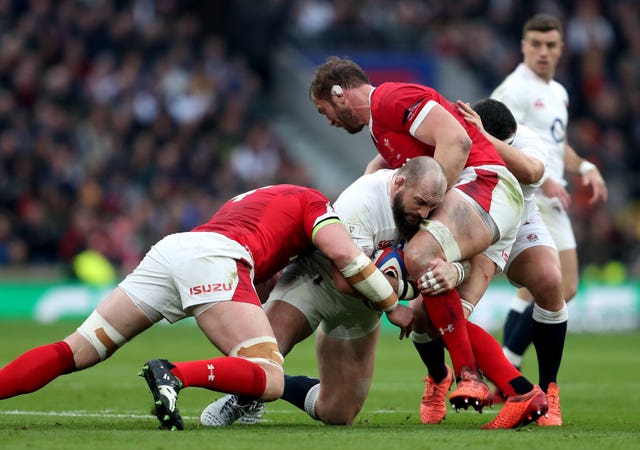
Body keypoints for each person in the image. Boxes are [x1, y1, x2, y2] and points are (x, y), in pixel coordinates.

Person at [0, 184, 411, 431]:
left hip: (173, 251)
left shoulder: (255, 198)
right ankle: (174, 375)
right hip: (215, 260)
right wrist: (392, 302)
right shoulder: (318, 204)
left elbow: (262, 266)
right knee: (269, 376)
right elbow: (345, 258)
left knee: (79, 349)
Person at [201, 156, 543, 429]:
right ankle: (242, 398)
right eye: (420, 203)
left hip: (363, 309)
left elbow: (463, 259)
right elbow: (343, 279)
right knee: (260, 354)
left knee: (338, 413)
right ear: (398, 183)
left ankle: (278, 386)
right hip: (315, 281)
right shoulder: (362, 201)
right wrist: (401, 297)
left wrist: (452, 270)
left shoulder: (434, 205)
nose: (424, 213)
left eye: (430, 207)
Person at [308, 56, 524, 412]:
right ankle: (522, 395)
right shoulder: (380, 130)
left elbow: (456, 142)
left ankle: (468, 376)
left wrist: (428, 219)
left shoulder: (391, 97)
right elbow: (377, 178)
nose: (328, 120)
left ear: (339, 93)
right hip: (481, 203)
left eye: (324, 109)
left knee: (420, 256)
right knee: (429, 317)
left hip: (484, 184)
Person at [415, 98, 566, 429]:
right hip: (474, 224)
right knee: (426, 310)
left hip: (520, 223)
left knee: (551, 282)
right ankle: (438, 377)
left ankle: (548, 388)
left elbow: (532, 171)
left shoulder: (526, 139)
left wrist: (485, 137)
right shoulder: (454, 138)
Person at [491, 13, 608, 424]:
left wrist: (585, 165)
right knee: (560, 287)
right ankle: (507, 370)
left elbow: (556, 148)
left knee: (543, 292)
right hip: (535, 195)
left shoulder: (557, 91)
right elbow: (498, 142)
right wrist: (543, 179)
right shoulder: (513, 89)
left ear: (561, 48)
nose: (543, 51)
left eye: (551, 45)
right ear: (524, 46)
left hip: (555, 192)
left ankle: (505, 374)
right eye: (536, 44)